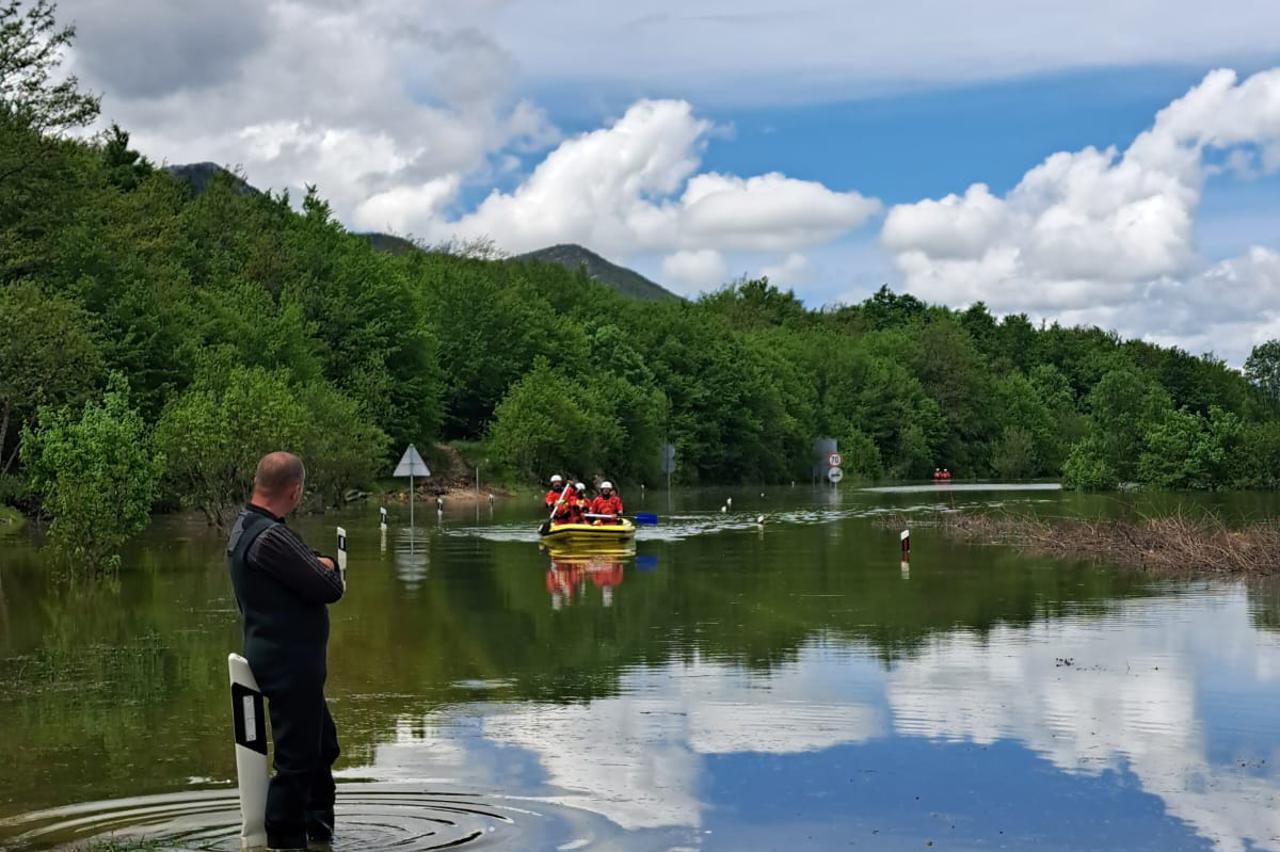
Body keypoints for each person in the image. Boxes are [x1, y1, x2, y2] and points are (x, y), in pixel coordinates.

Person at [227, 452, 344, 851]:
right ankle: (283, 838)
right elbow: (329, 588)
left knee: (322, 746)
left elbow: (303, 571)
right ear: (294, 491)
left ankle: (318, 833)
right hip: (288, 663)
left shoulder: (249, 527)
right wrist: (326, 563)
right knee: (297, 761)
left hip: (282, 659)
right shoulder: (271, 537)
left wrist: (316, 563)